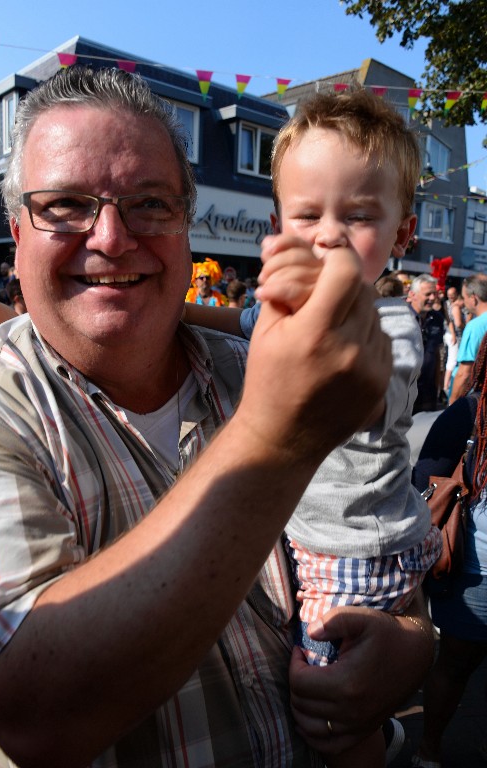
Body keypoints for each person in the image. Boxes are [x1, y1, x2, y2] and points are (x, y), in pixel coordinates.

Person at [0, 66, 434, 768]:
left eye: (150, 204)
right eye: (65, 204)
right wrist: (275, 435)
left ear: (187, 224)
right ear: (15, 231)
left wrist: (410, 641)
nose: (110, 237)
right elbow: (33, 719)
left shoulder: (253, 358)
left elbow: (367, 543)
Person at [185, 88, 441, 768]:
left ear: (400, 237)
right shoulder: (283, 315)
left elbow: (362, 395)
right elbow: (232, 322)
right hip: (348, 534)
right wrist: (177, 314)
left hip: (352, 547)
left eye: (357, 217)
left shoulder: (389, 326)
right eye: (307, 215)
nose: (327, 234)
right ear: (277, 225)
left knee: (326, 705)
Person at [412, 330, 487, 768]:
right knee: (456, 664)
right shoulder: (470, 411)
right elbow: (427, 481)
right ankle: (429, 751)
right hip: (476, 570)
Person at [406, 275, 444, 413]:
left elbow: (437, 353)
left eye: (434, 293)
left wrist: (438, 385)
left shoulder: (437, 318)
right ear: (412, 294)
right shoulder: (402, 316)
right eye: (428, 294)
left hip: (428, 391)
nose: (433, 298)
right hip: (404, 391)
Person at [448, 274, 487, 404]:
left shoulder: (475, 326)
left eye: (464, 298)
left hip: (473, 397)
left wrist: (452, 405)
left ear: (473, 298)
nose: (463, 302)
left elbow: (464, 373)